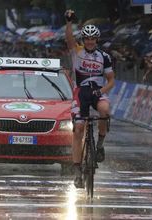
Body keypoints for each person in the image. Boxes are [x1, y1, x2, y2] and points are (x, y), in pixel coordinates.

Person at [64, 9, 115, 188]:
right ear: (84, 40)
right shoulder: (77, 51)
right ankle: (77, 168)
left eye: (93, 39)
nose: (90, 41)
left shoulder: (105, 57)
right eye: (87, 38)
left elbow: (111, 80)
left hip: (97, 91)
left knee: (104, 110)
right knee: (78, 128)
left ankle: (100, 144)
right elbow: (69, 39)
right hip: (80, 92)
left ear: (97, 40)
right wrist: (69, 22)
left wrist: (102, 91)